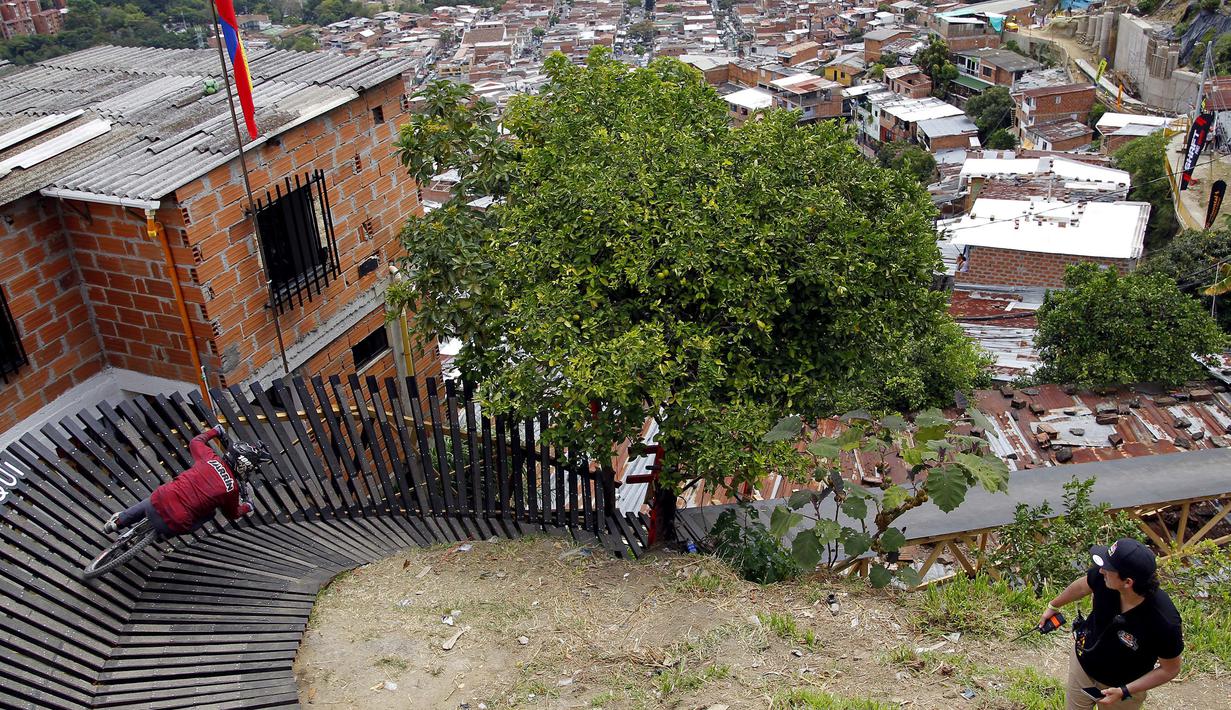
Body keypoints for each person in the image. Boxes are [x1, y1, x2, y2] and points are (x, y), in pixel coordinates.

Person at [1042, 538, 1183, 709]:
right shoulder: (1105, 579)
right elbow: (1083, 585)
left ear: (1128, 582)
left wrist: (1124, 691)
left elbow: (1170, 669)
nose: (1101, 571)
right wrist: (1053, 605)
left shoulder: (1164, 621)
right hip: (1084, 665)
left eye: (1107, 568)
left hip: (1123, 687)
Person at [103, 426, 270, 537]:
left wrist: (215, 431)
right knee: (210, 512)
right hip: (177, 522)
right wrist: (248, 505)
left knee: (159, 495)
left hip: (160, 499)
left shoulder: (209, 458)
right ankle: (162, 536)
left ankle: (118, 522)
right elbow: (233, 514)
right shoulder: (231, 489)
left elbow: (195, 441)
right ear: (244, 467)